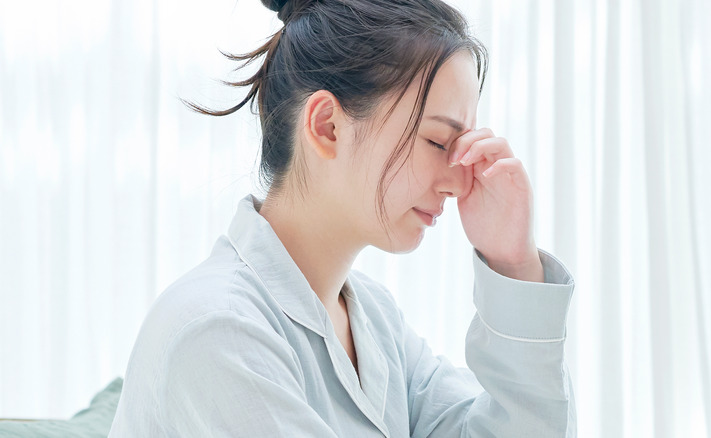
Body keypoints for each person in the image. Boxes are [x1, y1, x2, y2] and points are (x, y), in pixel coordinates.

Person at [108, 0, 577, 436]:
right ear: (327, 126)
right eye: (438, 143)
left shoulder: (374, 320)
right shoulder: (218, 331)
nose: (458, 182)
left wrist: (513, 264)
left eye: (462, 148)